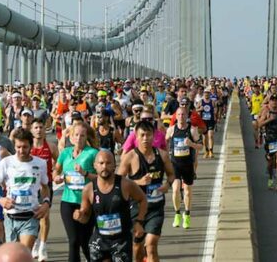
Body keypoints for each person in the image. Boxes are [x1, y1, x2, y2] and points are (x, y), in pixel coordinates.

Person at [75, 150, 148, 262]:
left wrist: (139, 222)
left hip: (121, 241)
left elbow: (142, 199)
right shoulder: (89, 189)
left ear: (114, 165)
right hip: (99, 240)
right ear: (95, 165)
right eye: (101, 163)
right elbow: (85, 218)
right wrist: (80, 215)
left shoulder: (125, 184)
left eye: (108, 163)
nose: (105, 166)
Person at [118, 121, 175, 262]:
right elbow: (118, 181)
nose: (145, 138)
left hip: (156, 207)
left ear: (153, 136)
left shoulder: (162, 155)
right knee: (137, 247)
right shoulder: (130, 157)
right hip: (136, 209)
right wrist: (138, 182)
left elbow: (172, 175)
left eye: (148, 135)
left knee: (151, 245)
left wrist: (167, 185)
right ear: (136, 137)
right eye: (142, 135)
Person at [0, 129, 50, 250]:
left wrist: (46, 203)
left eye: (25, 147)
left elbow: (45, 187)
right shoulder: (6, 162)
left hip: (31, 216)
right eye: (18, 147)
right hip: (11, 217)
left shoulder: (40, 164)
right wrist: (1, 200)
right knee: (13, 255)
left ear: (31, 146)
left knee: (23, 253)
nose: (21, 151)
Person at [53, 121, 100, 262]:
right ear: (71, 137)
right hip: (68, 201)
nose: (79, 138)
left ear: (87, 137)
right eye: (76, 135)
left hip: (87, 203)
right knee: (73, 240)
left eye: (82, 135)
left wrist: (85, 173)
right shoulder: (65, 153)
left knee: (86, 241)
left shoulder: (93, 153)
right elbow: (56, 169)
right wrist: (56, 177)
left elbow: (102, 178)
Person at [167, 107, 202, 228]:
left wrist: (191, 144)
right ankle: (177, 214)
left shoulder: (192, 130)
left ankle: (187, 215)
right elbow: (164, 142)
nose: (181, 117)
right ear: (175, 116)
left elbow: (200, 146)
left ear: (186, 116)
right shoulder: (171, 130)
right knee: (176, 189)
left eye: (183, 114)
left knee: (187, 191)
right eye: (179, 114)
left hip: (187, 164)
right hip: (175, 164)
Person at [28, 118, 57, 261]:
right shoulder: (28, 148)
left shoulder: (51, 146)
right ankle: (33, 243)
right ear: (31, 130)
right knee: (32, 217)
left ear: (45, 129)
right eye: (36, 127)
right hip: (31, 187)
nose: (39, 130)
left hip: (46, 186)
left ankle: (43, 246)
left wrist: (57, 174)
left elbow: (59, 162)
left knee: (44, 216)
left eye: (41, 127)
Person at [257, 97, 277, 191]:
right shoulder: (266, 112)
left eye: (276, 100)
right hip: (270, 139)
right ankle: (271, 178)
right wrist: (269, 120)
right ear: (269, 102)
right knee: (270, 162)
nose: (274, 102)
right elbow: (259, 124)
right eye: (272, 101)